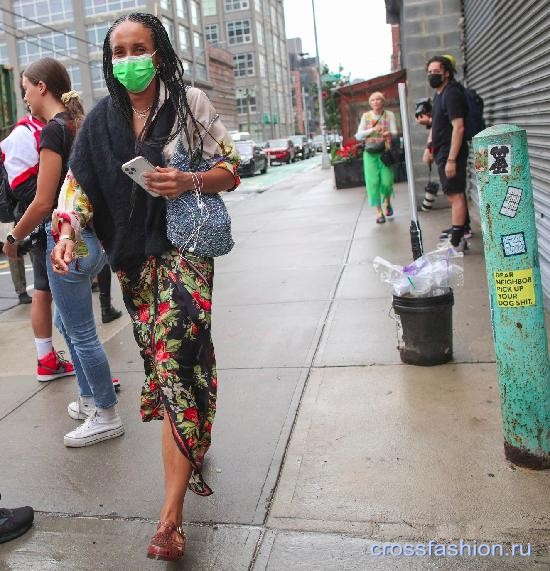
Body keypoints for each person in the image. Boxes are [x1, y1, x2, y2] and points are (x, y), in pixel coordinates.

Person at [50, 13, 240, 561]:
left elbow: (230, 166)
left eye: (140, 48)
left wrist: (190, 180)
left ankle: (170, 518)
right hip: (133, 263)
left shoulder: (190, 105)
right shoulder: (100, 124)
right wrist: (67, 232)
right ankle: (190, 429)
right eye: (119, 51)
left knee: (176, 358)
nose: (129, 59)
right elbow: (77, 188)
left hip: (186, 253)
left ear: (159, 54)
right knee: (169, 362)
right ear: (109, 60)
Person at [6, 57, 124, 447]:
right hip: (91, 240)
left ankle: (105, 412)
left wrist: (12, 238)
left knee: (81, 332)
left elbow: (42, 202)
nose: (23, 94)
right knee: (69, 325)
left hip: (68, 240)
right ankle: (91, 399)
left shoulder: (52, 132)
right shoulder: (78, 122)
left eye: (25, 86)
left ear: (42, 87)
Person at [1, 93, 74, 382]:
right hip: (43, 223)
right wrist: (46, 209)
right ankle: (52, 362)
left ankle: (48, 360)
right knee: (47, 291)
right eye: (25, 90)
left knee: (45, 291)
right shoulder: (25, 132)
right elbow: (23, 187)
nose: (27, 97)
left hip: (49, 221)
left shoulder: (46, 128)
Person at [422, 55, 470, 251]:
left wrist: (451, 159)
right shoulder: (440, 93)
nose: (432, 75)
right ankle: (459, 233)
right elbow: (436, 125)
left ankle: (456, 242)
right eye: (430, 72)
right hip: (442, 151)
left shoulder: (451, 94)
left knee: (454, 195)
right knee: (454, 193)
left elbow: (458, 128)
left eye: (436, 72)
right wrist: (429, 148)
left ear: (447, 73)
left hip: (452, 153)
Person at [355, 91, 398, 224]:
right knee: (373, 183)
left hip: (385, 153)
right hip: (370, 153)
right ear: (370, 103)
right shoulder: (366, 116)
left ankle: (388, 202)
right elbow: (358, 135)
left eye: (378, 99)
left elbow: (395, 132)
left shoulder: (389, 115)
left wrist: (389, 133)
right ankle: (379, 211)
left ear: (383, 101)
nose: (375, 102)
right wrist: (371, 130)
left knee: (386, 181)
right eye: (372, 100)